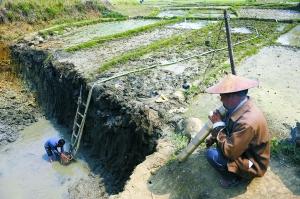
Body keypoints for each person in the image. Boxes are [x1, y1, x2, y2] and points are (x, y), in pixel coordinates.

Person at [205, 74, 270, 188]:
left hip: (253, 164)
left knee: (212, 155)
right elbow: (230, 125)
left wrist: (217, 125)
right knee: (217, 148)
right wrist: (214, 135)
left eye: (222, 96)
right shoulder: (240, 106)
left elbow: (230, 152)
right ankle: (235, 171)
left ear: (233, 97)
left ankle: (232, 178)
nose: (221, 99)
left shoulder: (247, 122)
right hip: (244, 150)